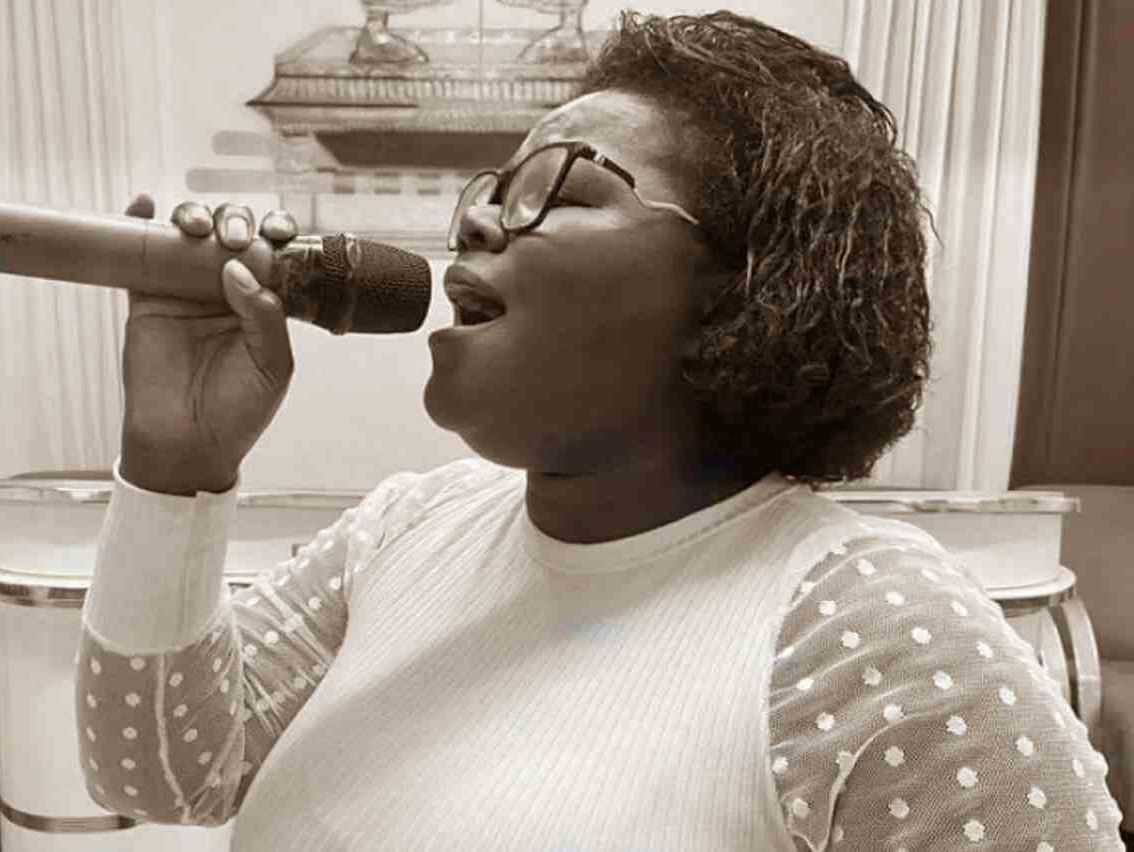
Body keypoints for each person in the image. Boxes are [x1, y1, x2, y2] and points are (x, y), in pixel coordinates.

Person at [75, 10, 1126, 850]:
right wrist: (173, 465)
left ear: (744, 291)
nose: (475, 219)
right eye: (492, 191)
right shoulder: (406, 529)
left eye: (562, 193)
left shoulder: (877, 637)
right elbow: (161, 772)